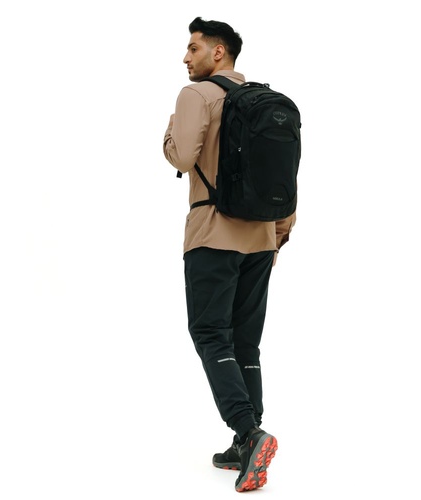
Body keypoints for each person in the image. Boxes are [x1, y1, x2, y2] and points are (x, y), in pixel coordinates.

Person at [162, 17, 296, 492]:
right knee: (245, 342)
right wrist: (277, 237)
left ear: (218, 52)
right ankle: (245, 442)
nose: (185, 57)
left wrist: (168, 131)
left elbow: (181, 157)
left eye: (193, 48)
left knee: (210, 335)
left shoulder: (196, 95)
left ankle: (249, 431)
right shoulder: (266, 102)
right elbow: (284, 176)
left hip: (212, 235)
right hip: (262, 238)